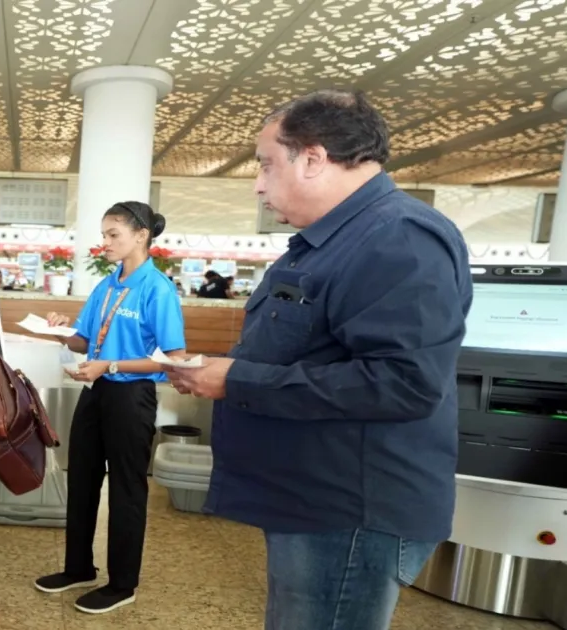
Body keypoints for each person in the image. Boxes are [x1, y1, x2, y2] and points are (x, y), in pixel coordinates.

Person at [166, 90, 472, 630]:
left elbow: (403, 382)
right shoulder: (332, 241)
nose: (258, 184)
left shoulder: (396, 238)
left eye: (265, 164)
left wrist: (239, 379)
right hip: (315, 499)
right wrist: (229, 369)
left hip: (351, 509)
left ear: (312, 157)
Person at [33, 201, 188, 615]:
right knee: (81, 479)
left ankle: (123, 583)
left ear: (141, 236)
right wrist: (59, 332)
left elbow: (173, 357)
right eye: (102, 235)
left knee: (126, 488)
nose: (104, 243)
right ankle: (78, 567)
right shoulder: (107, 286)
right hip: (96, 390)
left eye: (112, 234)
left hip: (131, 395)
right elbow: (86, 340)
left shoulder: (157, 288)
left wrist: (113, 364)